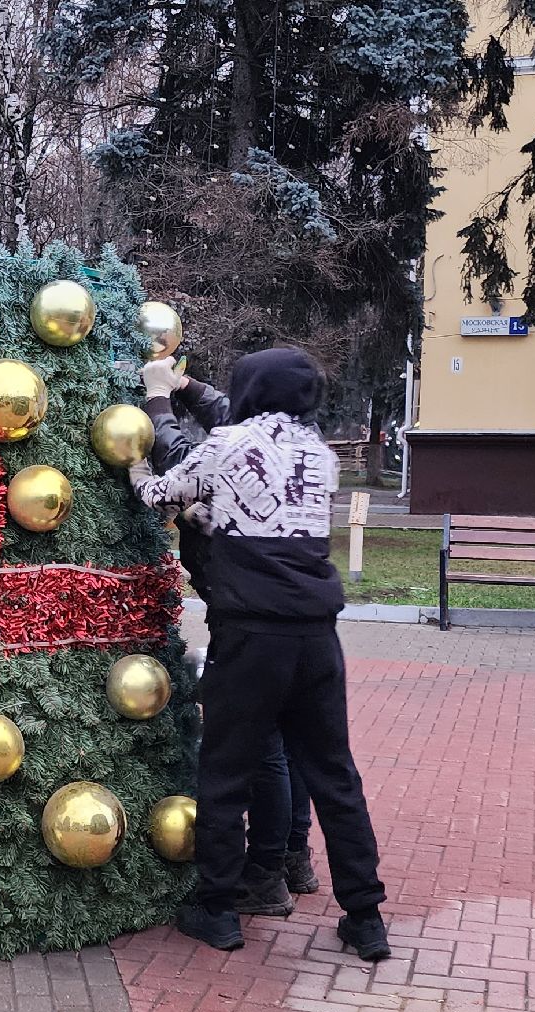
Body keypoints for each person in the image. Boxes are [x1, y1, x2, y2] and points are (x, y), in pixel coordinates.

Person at [130, 347, 390, 960]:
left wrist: (149, 428)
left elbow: (166, 482)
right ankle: (365, 916)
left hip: (249, 638)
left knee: (226, 771)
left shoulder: (227, 445)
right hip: (317, 639)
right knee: (334, 775)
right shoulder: (317, 451)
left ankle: (218, 909)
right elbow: (249, 464)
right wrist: (191, 386)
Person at [141, 359, 320, 915]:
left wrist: (157, 401)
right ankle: (293, 856)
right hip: (301, 622)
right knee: (287, 746)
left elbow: (174, 458)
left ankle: (262, 876)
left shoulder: (234, 449)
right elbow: (229, 415)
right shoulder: (300, 437)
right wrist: (187, 385)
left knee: (261, 751)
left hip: (248, 619)